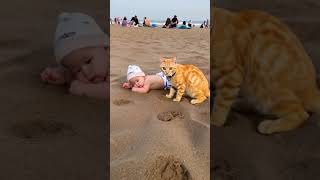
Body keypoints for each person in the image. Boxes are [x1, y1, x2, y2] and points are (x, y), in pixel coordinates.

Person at [40, 12, 108, 99]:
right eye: (77, 71)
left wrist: (85, 90)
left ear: (106, 49)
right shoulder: (99, 57)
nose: (85, 71)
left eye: (88, 61)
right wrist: (63, 76)